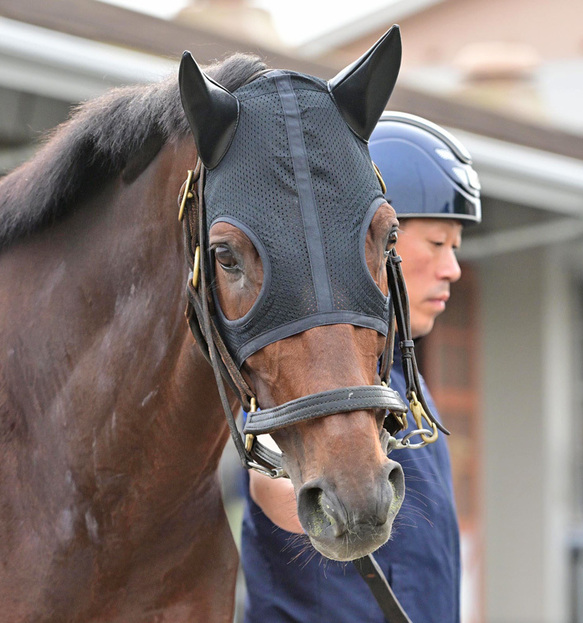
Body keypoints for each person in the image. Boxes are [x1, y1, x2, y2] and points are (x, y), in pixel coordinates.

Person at [239, 112, 482, 623]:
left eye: (455, 249)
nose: (453, 268)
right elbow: (274, 487)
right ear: (373, 244)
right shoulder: (298, 388)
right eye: (437, 244)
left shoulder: (403, 383)